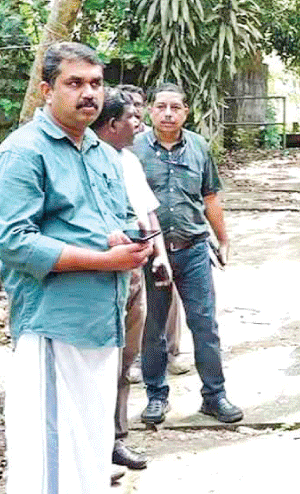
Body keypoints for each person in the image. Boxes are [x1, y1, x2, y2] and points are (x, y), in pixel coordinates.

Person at [0, 42, 153, 494]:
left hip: (103, 322)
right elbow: (16, 243)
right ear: (46, 90)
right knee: (51, 458)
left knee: (88, 451)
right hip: (56, 327)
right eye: (74, 83)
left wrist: (119, 239)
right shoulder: (22, 153)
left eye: (96, 83)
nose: (88, 93)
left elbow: (115, 217)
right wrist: (104, 259)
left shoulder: (100, 152)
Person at [133, 83, 243, 424]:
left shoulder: (198, 146)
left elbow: (210, 198)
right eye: (161, 107)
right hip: (151, 252)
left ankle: (214, 395)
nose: (168, 114)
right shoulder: (133, 150)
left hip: (193, 249)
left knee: (204, 324)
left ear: (186, 112)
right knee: (154, 327)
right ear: (150, 111)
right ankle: (156, 395)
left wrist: (222, 239)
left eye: (175, 108)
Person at [91, 88, 174, 471]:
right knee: (97, 363)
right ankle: (91, 446)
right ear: (111, 125)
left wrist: (158, 257)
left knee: (125, 360)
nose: (141, 124)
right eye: (133, 119)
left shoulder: (129, 159)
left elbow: (147, 212)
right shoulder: (89, 160)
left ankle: (116, 439)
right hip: (100, 274)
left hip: (134, 272)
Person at [118, 84, 192, 380]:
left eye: (138, 107)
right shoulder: (125, 148)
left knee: (167, 296)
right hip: (136, 235)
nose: (135, 114)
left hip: (166, 231)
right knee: (141, 301)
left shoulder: (154, 142)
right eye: (129, 108)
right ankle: (137, 358)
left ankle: (172, 352)